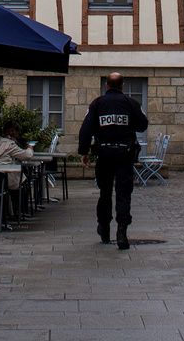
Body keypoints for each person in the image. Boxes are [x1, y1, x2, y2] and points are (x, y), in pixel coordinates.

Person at [78, 72, 148, 250]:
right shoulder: (131, 103)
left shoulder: (97, 104)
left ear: (107, 86)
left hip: (105, 154)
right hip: (125, 154)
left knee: (105, 192)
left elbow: (86, 129)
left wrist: (84, 151)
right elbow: (143, 124)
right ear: (122, 85)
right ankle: (122, 231)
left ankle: (104, 227)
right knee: (124, 193)